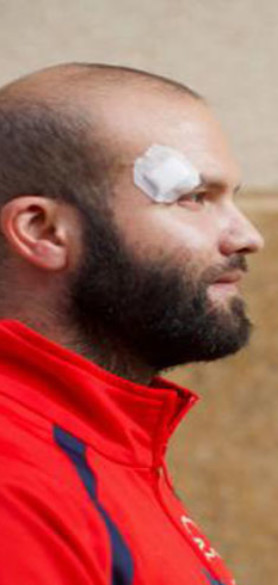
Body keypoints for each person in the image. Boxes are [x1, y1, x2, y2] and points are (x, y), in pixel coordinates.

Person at [0, 63, 264, 585]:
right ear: (43, 231)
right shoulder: (16, 488)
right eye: (194, 198)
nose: (247, 236)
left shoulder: (98, 441)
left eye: (233, 197)